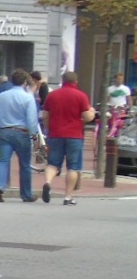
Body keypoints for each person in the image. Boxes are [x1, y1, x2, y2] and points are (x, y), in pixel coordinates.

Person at [41, 71, 95, 206]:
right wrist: (92, 112)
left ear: (62, 81)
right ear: (76, 82)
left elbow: (45, 115)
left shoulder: (52, 95)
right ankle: (68, 197)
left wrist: (49, 130)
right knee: (73, 167)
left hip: (55, 134)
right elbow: (87, 117)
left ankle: (47, 182)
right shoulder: (81, 96)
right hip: (74, 135)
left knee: (53, 163)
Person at [0, 69, 40, 203]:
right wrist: (34, 135)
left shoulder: (2, 96)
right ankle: (26, 194)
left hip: (5, 131)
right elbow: (31, 120)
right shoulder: (28, 98)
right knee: (24, 164)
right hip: (21, 132)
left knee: (2, 161)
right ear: (25, 82)